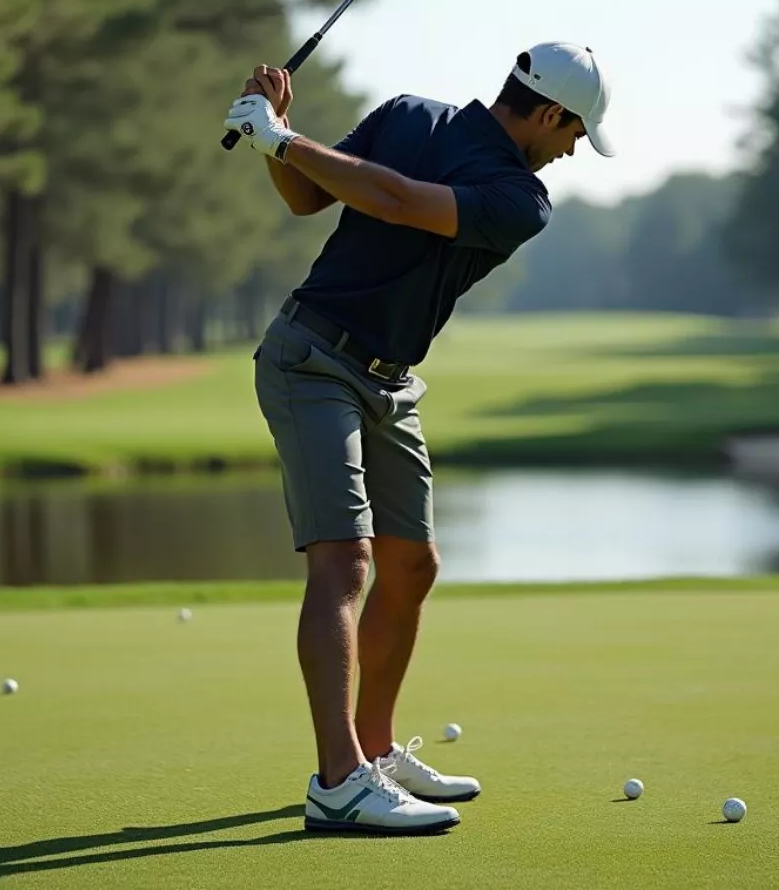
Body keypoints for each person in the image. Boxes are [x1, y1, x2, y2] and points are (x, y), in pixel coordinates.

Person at [222, 42, 616, 836]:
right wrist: (280, 134)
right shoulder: (406, 116)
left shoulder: (518, 198)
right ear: (547, 113)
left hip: (391, 381)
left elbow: (399, 201)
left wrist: (280, 136)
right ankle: (337, 783)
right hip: (312, 359)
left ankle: (371, 753)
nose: (574, 149)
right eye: (575, 132)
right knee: (347, 560)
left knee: (413, 561)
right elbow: (306, 197)